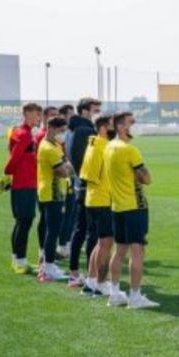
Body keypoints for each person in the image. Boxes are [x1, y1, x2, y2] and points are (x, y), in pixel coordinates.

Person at [103, 111, 158, 309]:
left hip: (117, 206)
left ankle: (115, 293)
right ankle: (135, 296)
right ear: (120, 126)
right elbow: (147, 179)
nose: (133, 125)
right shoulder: (129, 150)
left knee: (119, 251)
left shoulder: (108, 147)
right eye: (129, 122)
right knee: (137, 252)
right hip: (134, 206)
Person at [63, 98, 101, 287]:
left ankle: (75, 273)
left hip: (79, 183)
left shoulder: (72, 130)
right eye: (95, 110)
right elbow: (85, 159)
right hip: (88, 185)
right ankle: (90, 275)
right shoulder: (85, 130)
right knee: (91, 232)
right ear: (85, 111)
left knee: (80, 230)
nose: (97, 113)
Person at [79, 114, 115, 297]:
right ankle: (100, 283)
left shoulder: (93, 144)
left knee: (100, 243)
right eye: (112, 126)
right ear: (103, 128)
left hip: (93, 199)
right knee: (106, 243)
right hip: (103, 200)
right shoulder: (104, 147)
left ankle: (91, 281)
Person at [5, 103, 43, 274]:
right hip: (24, 184)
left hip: (26, 183)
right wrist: (8, 174)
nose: (39, 118)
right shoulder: (24, 134)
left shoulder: (23, 133)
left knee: (23, 221)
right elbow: (14, 158)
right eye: (36, 114)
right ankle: (19, 260)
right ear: (26, 113)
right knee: (25, 221)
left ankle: (18, 259)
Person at [36, 116, 73, 282]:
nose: (63, 134)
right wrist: (68, 167)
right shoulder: (48, 148)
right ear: (50, 128)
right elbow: (64, 171)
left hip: (54, 192)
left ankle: (47, 264)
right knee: (53, 231)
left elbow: (66, 165)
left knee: (52, 229)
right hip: (52, 193)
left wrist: (66, 166)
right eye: (61, 130)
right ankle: (49, 266)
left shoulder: (54, 145)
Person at [56, 104, 77, 259]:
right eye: (70, 114)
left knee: (72, 211)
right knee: (64, 213)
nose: (72, 116)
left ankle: (67, 242)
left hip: (70, 175)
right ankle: (62, 244)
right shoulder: (59, 135)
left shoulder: (69, 132)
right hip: (62, 178)